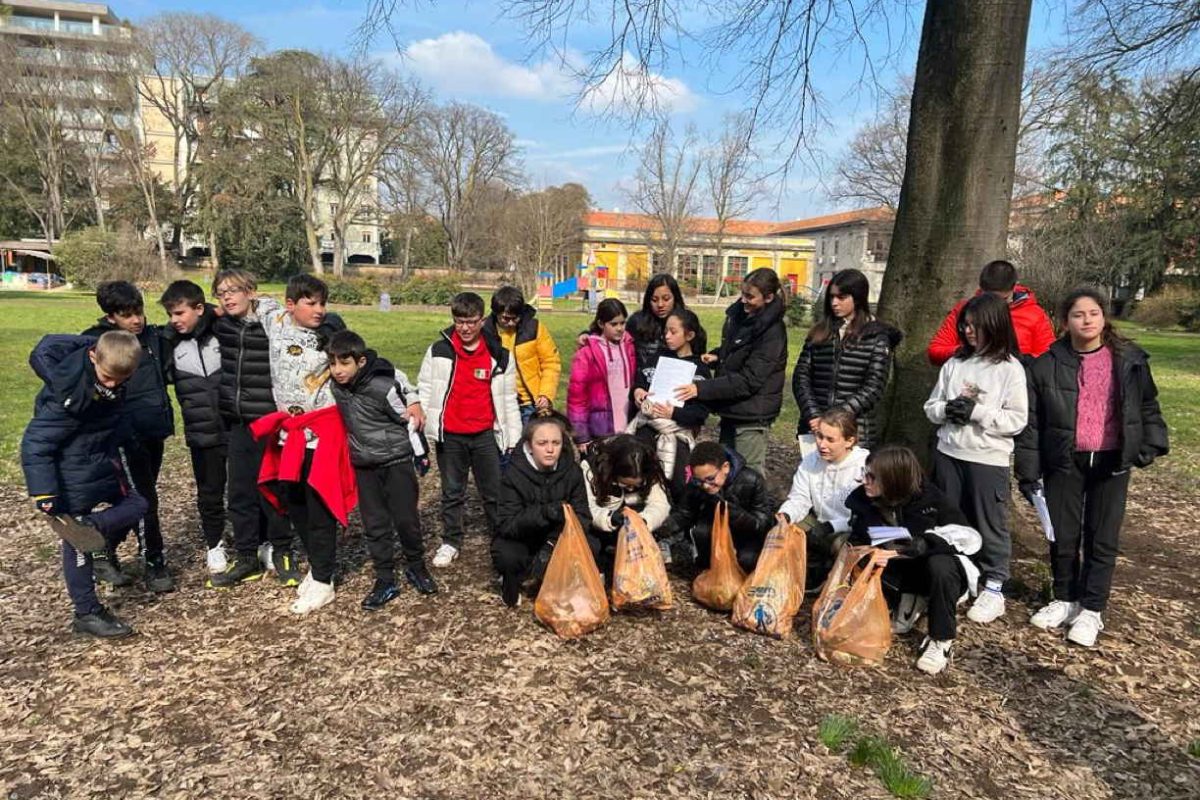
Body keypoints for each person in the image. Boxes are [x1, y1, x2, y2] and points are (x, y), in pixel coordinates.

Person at [1016, 287, 1168, 647]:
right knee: (1063, 535)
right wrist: (1028, 470)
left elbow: (1147, 406)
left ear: (1104, 318)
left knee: (1102, 537)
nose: (1086, 321)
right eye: (1078, 315)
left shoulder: (1128, 360)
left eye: (1093, 314)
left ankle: (1092, 608)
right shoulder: (1046, 364)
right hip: (1064, 460)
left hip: (1112, 460)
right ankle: (1065, 597)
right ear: (1064, 321)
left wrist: (1148, 446)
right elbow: (1032, 423)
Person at [22, 331, 150, 638]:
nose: (112, 385)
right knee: (77, 543)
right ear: (93, 357)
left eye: (120, 380)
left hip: (99, 462)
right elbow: (36, 444)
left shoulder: (108, 374)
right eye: (107, 378)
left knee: (138, 505)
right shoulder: (67, 395)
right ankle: (87, 611)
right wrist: (45, 493)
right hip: (70, 473)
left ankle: (85, 525)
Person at [923, 292, 1027, 626]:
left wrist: (978, 412)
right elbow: (931, 406)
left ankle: (994, 585)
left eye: (976, 326)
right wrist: (946, 411)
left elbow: (1017, 420)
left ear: (994, 326)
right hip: (949, 452)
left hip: (987, 458)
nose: (969, 332)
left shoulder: (1010, 369)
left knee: (989, 520)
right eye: (965, 325)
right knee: (949, 518)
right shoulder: (955, 363)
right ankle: (956, 576)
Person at [253, 274, 349, 615]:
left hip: (321, 435)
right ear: (291, 304)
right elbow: (251, 298)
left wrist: (407, 398)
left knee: (319, 508)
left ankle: (324, 581)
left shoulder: (332, 334)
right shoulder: (275, 320)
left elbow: (366, 364)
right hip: (287, 434)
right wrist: (220, 308)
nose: (319, 310)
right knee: (295, 505)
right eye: (311, 303)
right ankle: (318, 567)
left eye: (323, 303)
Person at [845, 446, 981, 676]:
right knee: (852, 553)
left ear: (893, 480)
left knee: (941, 565)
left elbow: (970, 538)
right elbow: (859, 534)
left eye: (871, 476)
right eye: (863, 472)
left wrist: (924, 544)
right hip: (892, 568)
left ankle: (941, 639)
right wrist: (869, 551)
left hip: (934, 569)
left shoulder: (930, 499)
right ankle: (899, 604)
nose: (863, 480)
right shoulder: (862, 499)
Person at [327, 330, 437, 611]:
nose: (338, 371)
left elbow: (409, 421)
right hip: (364, 465)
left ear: (360, 362)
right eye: (333, 364)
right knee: (374, 524)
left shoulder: (382, 388)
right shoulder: (336, 387)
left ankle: (416, 566)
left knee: (406, 519)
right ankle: (385, 578)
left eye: (344, 363)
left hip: (395, 462)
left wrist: (420, 454)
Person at [81, 281, 175, 593]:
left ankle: (103, 548)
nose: (136, 320)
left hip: (153, 429)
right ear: (111, 318)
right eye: (127, 315)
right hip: (123, 435)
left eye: (139, 313)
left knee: (135, 500)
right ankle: (154, 560)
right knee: (145, 499)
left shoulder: (152, 337)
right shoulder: (97, 343)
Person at [208, 269, 300, 589]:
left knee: (274, 490)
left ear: (251, 292)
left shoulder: (273, 325)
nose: (228, 297)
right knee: (239, 492)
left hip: (269, 421)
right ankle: (246, 556)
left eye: (234, 290)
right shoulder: (222, 325)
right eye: (221, 293)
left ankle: (283, 551)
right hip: (237, 421)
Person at [418, 292, 522, 569]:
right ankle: (451, 541)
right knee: (452, 491)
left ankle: (500, 537)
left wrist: (513, 437)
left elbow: (508, 398)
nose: (465, 328)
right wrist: (426, 421)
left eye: (471, 322)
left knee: (493, 492)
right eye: (459, 321)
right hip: (450, 434)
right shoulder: (439, 350)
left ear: (483, 320)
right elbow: (426, 388)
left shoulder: (499, 355)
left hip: (485, 434)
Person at [675, 268, 787, 474]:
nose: (744, 300)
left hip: (752, 417)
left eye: (750, 296)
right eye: (742, 294)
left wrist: (701, 389)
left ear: (769, 298)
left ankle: (752, 507)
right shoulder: (742, 318)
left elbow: (749, 379)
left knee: (748, 474)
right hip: (733, 410)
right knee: (726, 472)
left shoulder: (773, 333)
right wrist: (719, 356)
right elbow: (738, 350)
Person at [159, 280, 227, 574]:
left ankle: (261, 541)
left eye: (179, 313)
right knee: (210, 493)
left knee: (248, 490)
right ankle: (215, 546)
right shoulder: (168, 343)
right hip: (201, 433)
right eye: (171, 315)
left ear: (199, 309)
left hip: (236, 427)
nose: (174, 321)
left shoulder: (225, 330)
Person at [792, 268, 901, 451]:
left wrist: (836, 418)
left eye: (841, 298)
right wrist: (812, 414)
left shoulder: (876, 336)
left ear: (857, 298)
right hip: (815, 427)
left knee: (850, 480)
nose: (834, 303)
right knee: (813, 478)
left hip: (854, 429)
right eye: (832, 297)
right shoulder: (820, 331)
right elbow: (801, 376)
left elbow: (874, 387)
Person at [492, 412, 592, 607]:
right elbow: (507, 523)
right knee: (506, 554)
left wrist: (552, 544)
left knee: (592, 546)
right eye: (542, 443)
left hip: (558, 537)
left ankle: (560, 581)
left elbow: (583, 515)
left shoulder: (572, 472)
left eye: (556, 443)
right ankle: (513, 581)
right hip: (524, 536)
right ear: (529, 446)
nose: (550, 450)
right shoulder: (513, 474)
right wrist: (545, 513)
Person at [777, 408, 870, 586]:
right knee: (786, 530)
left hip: (850, 528)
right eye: (819, 436)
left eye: (830, 440)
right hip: (818, 519)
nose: (821, 444)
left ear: (849, 441)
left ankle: (839, 584)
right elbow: (800, 497)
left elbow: (864, 514)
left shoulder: (864, 466)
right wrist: (786, 515)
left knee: (843, 546)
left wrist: (832, 526)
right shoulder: (811, 460)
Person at [626, 307, 711, 496]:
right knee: (633, 465)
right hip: (647, 423)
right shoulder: (657, 358)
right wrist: (638, 392)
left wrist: (673, 413)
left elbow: (700, 413)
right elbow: (640, 382)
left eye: (673, 332)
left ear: (689, 335)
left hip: (677, 430)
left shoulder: (700, 369)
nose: (667, 336)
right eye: (665, 331)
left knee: (678, 479)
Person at [665, 441, 774, 573]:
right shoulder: (696, 485)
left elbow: (763, 525)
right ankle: (707, 568)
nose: (705, 486)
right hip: (713, 534)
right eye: (700, 481)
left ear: (725, 467)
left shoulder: (752, 480)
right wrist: (661, 530)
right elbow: (683, 513)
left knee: (747, 560)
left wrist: (731, 512)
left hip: (746, 536)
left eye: (710, 478)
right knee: (700, 532)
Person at [927, 259, 1055, 366]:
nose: (994, 306)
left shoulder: (1034, 314)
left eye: (1002, 299)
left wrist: (1015, 359)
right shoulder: (965, 309)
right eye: (987, 298)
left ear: (1014, 286)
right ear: (981, 288)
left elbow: (1048, 358)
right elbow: (935, 351)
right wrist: (968, 351)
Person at [580, 434, 671, 567]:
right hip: (603, 523)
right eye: (626, 485)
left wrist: (644, 520)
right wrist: (608, 519)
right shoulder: (591, 468)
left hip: (637, 520)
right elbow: (586, 507)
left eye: (636, 485)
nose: (631, 489)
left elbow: (660, 504)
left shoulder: (650, 467)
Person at [484, 285, 561, 423]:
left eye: (515, 318)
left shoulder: (535, 328)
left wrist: (545, 394)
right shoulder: (484, 332)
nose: (511, 322)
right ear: (496, 313)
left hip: (531, 404)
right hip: (497, 403)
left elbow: (551, 363)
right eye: (505, 318)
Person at [567, 298, 636, 449]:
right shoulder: (586, 354)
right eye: (614, 324)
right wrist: (581, 436)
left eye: (622, 323)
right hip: (600, 431)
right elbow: (576, 398)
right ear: (600, 324)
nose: (619, 328)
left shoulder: (630, 346)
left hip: (629, 426)